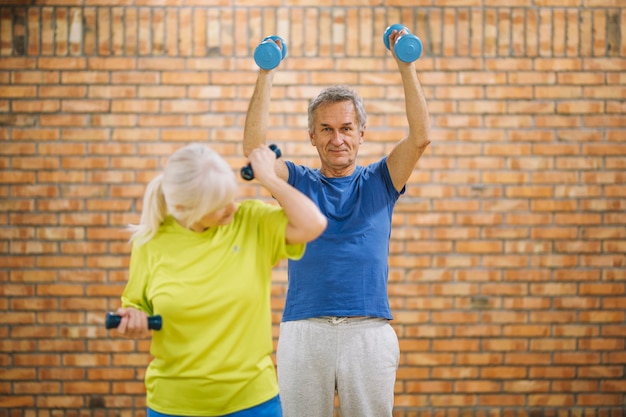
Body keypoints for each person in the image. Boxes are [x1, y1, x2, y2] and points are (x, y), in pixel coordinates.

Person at [243, 28, 431, 417]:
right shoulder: (297, 181)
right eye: (326, 129)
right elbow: (255, 153)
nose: (337, 138)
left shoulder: (382, 180)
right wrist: (266, 74)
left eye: (346, 128)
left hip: (368, 331)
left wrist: (406, 66)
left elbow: (420, 138)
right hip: (304, 329)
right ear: (312, 136)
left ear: (362, 133)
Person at [112, 143, 327, 417]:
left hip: (252, 402)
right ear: (183, 208)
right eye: (219, 205)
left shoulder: (251, 222)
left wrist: (269, 177)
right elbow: (136, 304)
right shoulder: (150, 243)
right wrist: (134, 319)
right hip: (174, 404)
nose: (232, 208)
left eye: (231, 197)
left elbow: (314, 224)